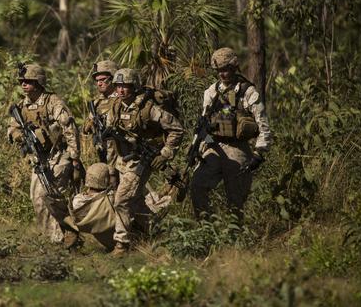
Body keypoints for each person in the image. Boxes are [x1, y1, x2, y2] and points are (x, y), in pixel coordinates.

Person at [104, 68, 184, 255]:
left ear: (134, 87)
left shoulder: (149, 108)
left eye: (125, 86)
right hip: (121, 160)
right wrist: (110, 166)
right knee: (136, 201)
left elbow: (176, 129)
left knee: (122, 200)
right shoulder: (115, 106)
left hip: (140, 161)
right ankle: (160, 232)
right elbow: (110, 137)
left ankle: (121, 244)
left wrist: (165, 153)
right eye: (118, 86)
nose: (121, 90)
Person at [190, 47, 273, 220]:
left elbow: (263, 124)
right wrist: (197, 147)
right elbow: (203, 123)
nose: (223, 74)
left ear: (234, 67)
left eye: (226, 69)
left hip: (238, 148)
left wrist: (259, 153)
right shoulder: (211, 92)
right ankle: (206, 229)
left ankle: (234, 238)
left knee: (236, 200)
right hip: (214, 146)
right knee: (197, 185)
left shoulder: (247, 91)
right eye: (219, 70)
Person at [7, 63, 82, 248]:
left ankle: (67, 234)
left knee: (53, 196)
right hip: (38, 159)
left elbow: (69, 128)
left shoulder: (52, 102)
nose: (24, 84)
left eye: (28, 81)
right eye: (22, 81)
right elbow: (12, 128)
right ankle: (54, 239)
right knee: (37, 198)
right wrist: (18, 136)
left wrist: (74, 158)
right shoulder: (20, 106)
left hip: (58, 155)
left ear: (39, 82)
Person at [82, 60, 119, 187]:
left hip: (122, 153)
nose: (99, 83)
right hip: (103, 151)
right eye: (97, 80)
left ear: (113, 78)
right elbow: (86, 128)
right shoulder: (97, 103)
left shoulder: (122, 99)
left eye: (103, 79)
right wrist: (90, 124)